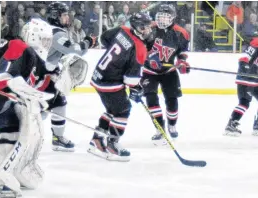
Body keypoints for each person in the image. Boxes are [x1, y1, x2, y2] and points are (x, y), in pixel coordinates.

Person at [0, 19, 88, 197]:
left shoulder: (33, 58)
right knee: (12, 133)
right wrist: (16, 83)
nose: (46, 44)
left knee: (20, 130)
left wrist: (60, 82)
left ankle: (10, 171)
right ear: (33, 35)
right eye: (44, 40)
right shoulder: (19, 45)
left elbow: (46, 86)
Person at [88, 12, 152, 162]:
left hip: (99, 75)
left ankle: (97, 140)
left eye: (148, 27)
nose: (147, 30)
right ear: (136, 27)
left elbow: (104, 38)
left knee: (112, 110)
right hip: (110, 81)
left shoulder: (122, 29)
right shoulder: (140, 48)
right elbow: (130, 80)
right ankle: (112, 145)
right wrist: (137, 88)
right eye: (144, 27)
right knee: (123, 110)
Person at [43, 2, 97, 152]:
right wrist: (88, 42)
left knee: (59, 103)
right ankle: (21, 135)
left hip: (45, 74)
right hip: (44, 77)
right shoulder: (56, 33)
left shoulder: (49, 30)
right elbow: (75, 50)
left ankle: (57, 138)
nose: (68, 18)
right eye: (65, 15)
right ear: (55, 16)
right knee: (40, 109)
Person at [141, 4, 191, 145]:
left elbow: (182, 51)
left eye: (165, 16)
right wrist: (149, 57)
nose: (162, 19)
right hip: (149, 70)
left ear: (173, 17)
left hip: (168, 71)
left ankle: (172, 124)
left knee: (172, 99)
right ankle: (159, 128)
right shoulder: (150, 28)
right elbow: (140, 46)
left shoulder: (181, 33)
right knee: (151, 98)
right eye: (160, 15)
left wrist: (182, 62)